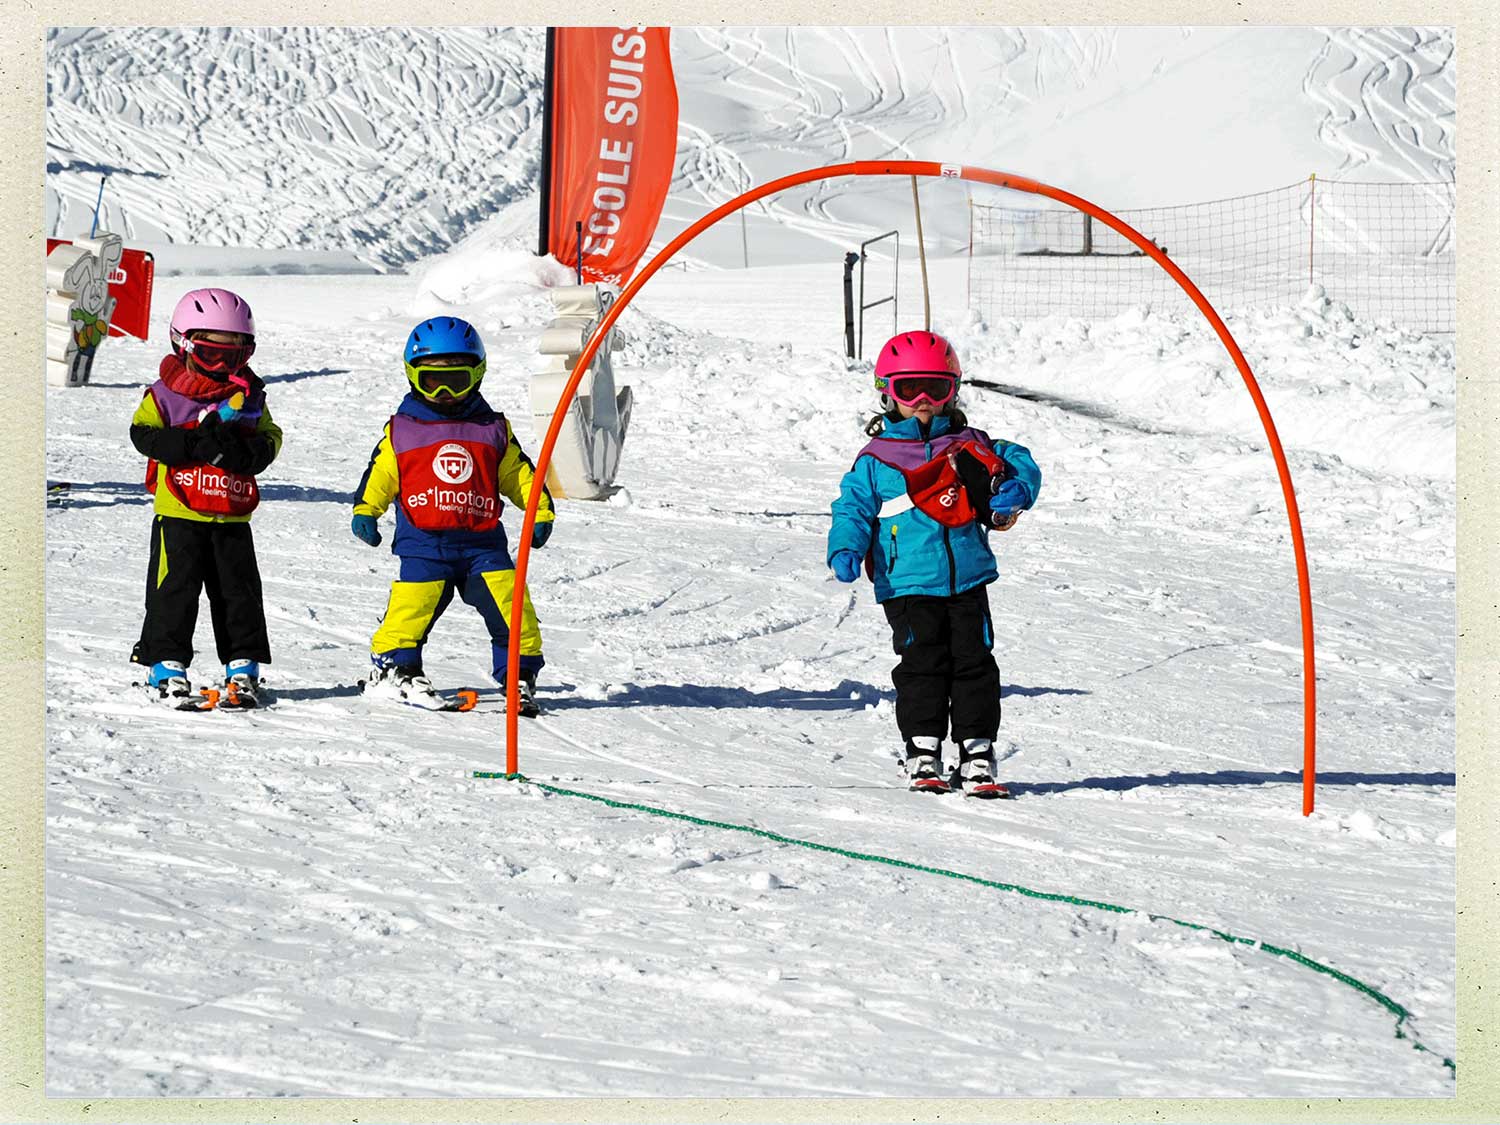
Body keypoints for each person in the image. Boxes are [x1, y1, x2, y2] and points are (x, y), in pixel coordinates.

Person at [827, 330, 1041, 796]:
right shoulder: (876, 460)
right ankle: (923, 750)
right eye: (908, 390)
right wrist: (845, 547)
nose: (922, 402)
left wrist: (1017, 486)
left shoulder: (970, 445)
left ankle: (977, 753)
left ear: (953, 391)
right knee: (923, 664)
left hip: (967, 577)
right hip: (906, 582)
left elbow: (1019, 461)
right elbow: (852, 507)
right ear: (887, 393)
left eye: (936, 389)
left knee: (974, 664)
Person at [350, 316, 554, 713]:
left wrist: (539, 510)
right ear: (412, 376)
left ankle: (519, 674)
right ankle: (396, 667)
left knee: (513, 606)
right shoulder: (403, 430)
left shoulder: (492, 429)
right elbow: (382, 473)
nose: (444, 393)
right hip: (424, 542)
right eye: (431, 381)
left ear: (477, 375)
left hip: (482, 544)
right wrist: (366, 510)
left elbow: (521, 476)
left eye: (456, 381)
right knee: (411, 607)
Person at [129, 287, 282, 707]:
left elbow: (271, 437)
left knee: (239, 593)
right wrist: (191, 444)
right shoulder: (164, 394)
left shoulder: (250, 396)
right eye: (212, 355)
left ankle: (244, 666)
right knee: (172, 590)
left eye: (233, 358)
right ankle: (165, 665)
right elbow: (142, 433)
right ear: (183, 345)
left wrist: (247, 452)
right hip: (179, 512)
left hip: (231, 514)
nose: (222, 367)